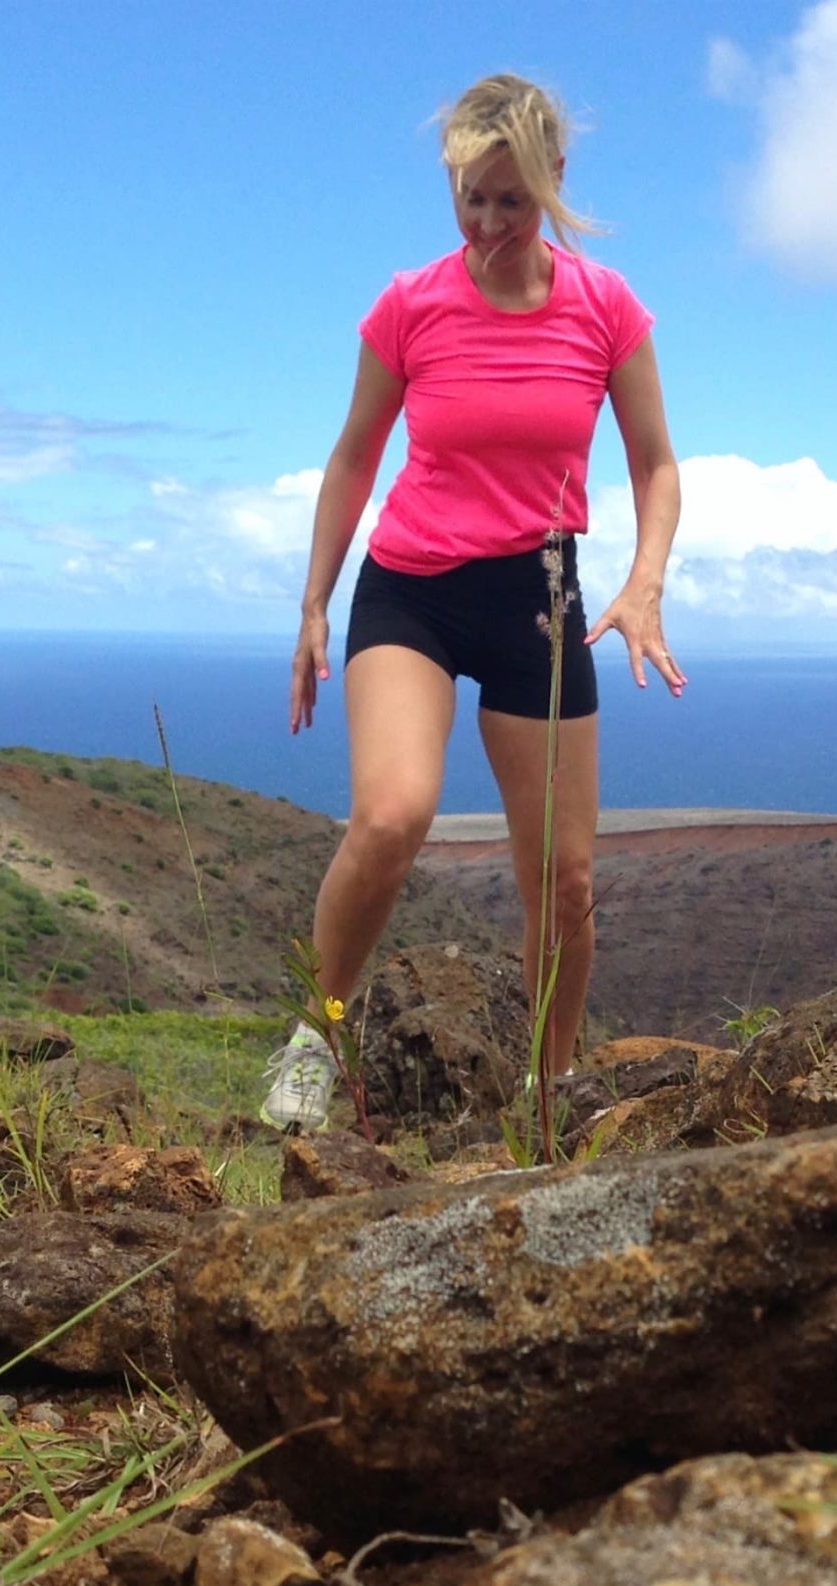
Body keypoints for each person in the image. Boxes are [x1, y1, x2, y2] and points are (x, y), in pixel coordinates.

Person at [261, 72, 684, 1132]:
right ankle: (316, 1036)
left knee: (565, 881)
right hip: (410, 589)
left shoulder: (605, 307)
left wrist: (643, 582)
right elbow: (355, 456)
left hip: (536, 599)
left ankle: (547, 1093)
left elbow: (655, 465)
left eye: (511, 199)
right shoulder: (409, 304)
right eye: (470, 199)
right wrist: (314, 605)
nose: (489, 223)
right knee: (393, 813)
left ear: (551, 185)